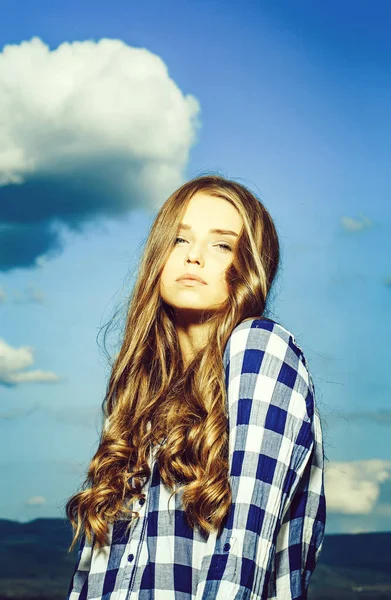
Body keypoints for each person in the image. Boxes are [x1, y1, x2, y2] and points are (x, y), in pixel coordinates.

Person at [65, 173, 326, 599]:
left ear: (251, 267)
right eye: (180, 240)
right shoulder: (139, 397)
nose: (194, 258)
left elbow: (244, 548)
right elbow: (91, 573)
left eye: (221, 244)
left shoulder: (259, 348)